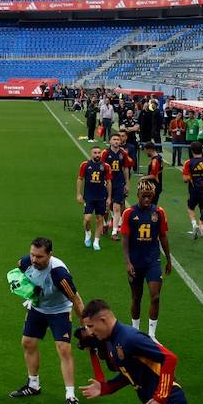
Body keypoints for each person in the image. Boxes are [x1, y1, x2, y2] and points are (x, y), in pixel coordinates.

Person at [10, 237, 85, 404]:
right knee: (27, 342)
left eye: (40, 257)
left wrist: (85, 325)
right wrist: (28, 291)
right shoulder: (26, 262)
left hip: (59, 310)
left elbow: (75, 299)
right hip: (38, 308)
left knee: (64, 349)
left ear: (50, 255)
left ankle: (70, 395)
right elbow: (18, 271)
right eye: (32, 255)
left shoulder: (59, 274)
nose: (34, 260)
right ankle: (33, 385)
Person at [121, 179, 172, 338]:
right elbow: (125, 239)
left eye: (150, 196)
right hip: (135, 262)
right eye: (144, 196)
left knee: (155, 296)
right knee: (136, 297)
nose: (147, 200)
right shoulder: (129, 213)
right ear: (138, 195)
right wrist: (128, 262)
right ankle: (135, 331)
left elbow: (163, 236)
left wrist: (168, 259)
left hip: (152, 261)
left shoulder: (159, 212)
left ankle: (151, 335)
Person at [78, 146, 110, 250]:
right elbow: (80, 179)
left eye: (99, 152)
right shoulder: (85, 165)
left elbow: (109, 182)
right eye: (95, 152)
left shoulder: (105, 166)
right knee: (87, 218)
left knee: (99, 219)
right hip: (89, 196)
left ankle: (96, 241)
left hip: (101, 196)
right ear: (91, 153)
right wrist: (78, 194)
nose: (97, 154)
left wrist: (109, 197)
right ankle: (88, 234)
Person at [103, 134, 131, 241]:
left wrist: (127, 183)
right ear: (110, 141)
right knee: (106, 206)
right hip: (107, 183)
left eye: (118, 140)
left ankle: (114, 231)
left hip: (119, 183)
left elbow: (125, 169)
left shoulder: (123, 154)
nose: (116, 141)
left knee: (117, 207)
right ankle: (105, 223)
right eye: (114, 139)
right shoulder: (105, 153)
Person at [181, 143, 203, 237]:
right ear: (202, 150)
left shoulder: (188, 163)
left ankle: (194, 224)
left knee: (190, 208)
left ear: (192, 151)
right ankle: (202, 229)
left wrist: (190, 176)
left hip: (194, 190)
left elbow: (185, 179)